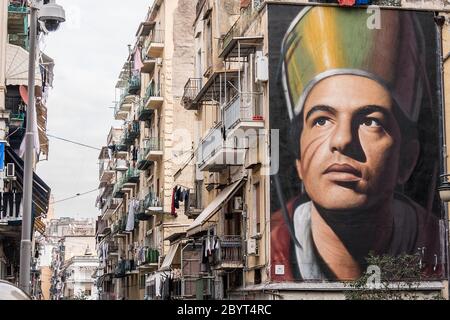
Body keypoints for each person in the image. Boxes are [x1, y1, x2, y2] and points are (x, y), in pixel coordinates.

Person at [271, 6, 443, 281]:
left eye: (370, 121)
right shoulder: (272, 247)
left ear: (408, 159)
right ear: (299, 159)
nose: (343, 141)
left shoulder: (439, 246)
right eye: (321, 120)